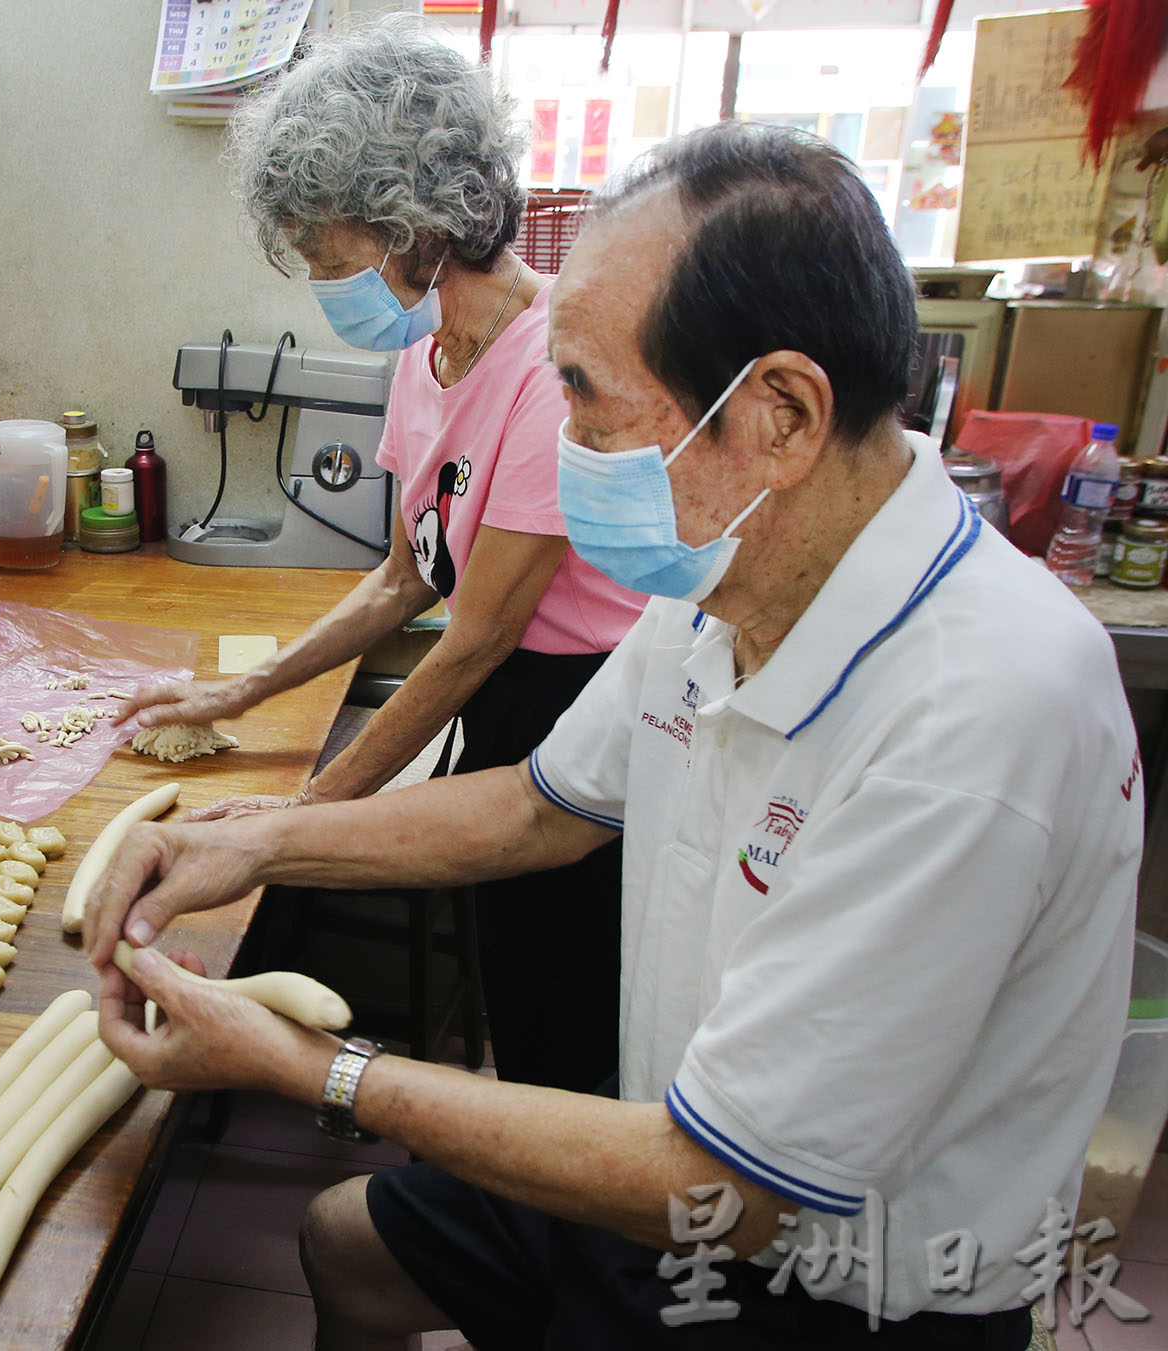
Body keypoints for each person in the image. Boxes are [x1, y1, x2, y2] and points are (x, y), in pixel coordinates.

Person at [86, 121, 1141, 1348]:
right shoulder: (723, 578)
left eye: (583, 397)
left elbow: (725, 1184)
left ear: (780, 415)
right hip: (674, 1132)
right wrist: (258, 842)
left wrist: (306, 1067)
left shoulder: (977, 712)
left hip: (827, 1277)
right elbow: (539, 806)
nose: (561, 441)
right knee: (347, 1241)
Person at [121, 17, 643, 1092]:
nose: (325, 285)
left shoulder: (548, 372)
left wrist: (301, 818)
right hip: (499, 704)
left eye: (333, 260)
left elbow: (473, 641)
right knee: (516, 982)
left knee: (566, 1012)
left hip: (578, 708)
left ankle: (557, 1181)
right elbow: (405, 577)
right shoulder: (426, 347)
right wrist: (240, 690)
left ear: (421, 227)